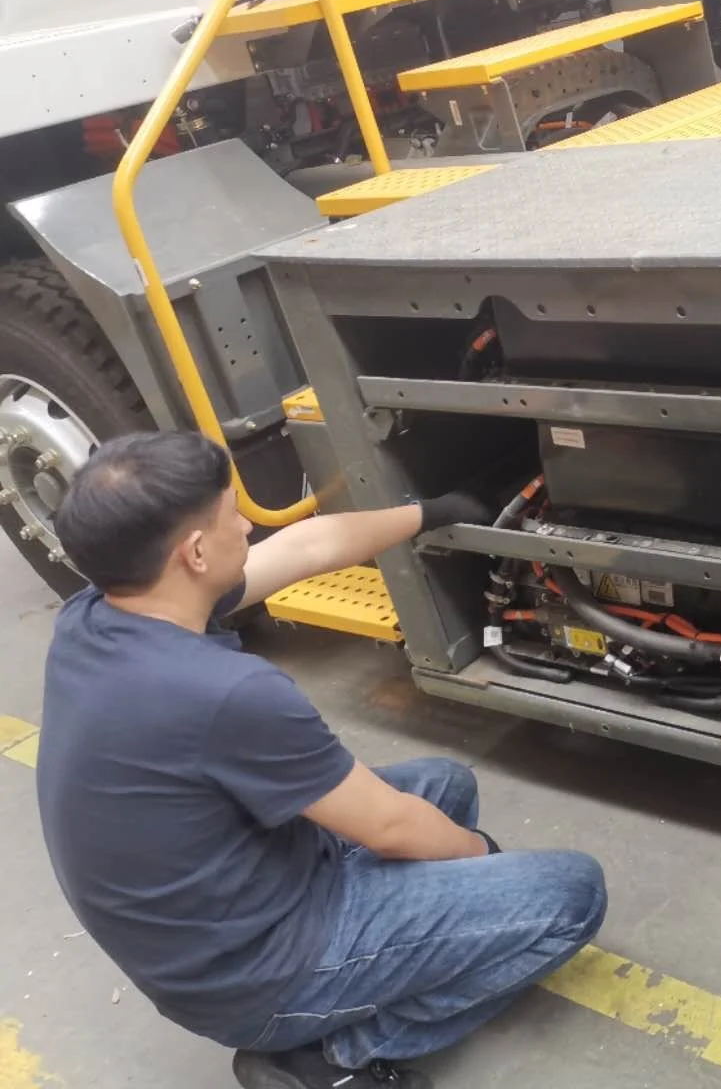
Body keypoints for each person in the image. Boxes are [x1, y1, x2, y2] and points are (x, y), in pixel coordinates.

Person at [34, 431, 607, 1089]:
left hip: (215, 916)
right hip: (254, 973)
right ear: (194, 552)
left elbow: (307, 546)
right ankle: (328, 1057)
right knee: (567, 895)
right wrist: (483, 861)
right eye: (231, 515)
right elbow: (390, 828)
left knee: (443, 786)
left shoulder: (100, 613)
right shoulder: (223, 693)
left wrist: (440, 511)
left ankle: (353, 981)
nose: (248, 524)